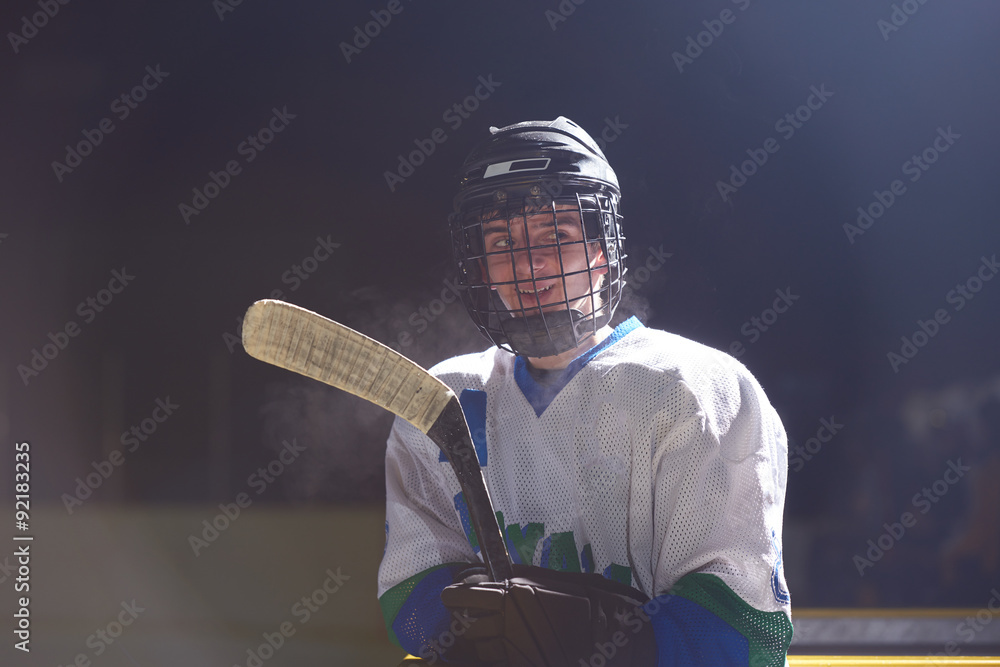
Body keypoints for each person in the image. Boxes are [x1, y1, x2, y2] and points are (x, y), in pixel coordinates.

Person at [378, 117, 793, 666]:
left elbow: (742, 629)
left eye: (557, 235)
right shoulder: (444, 398)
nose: (529, 262)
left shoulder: (696, 388)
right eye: (503, 240)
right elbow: (411, 593)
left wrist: (596, 639)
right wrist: (467, 630)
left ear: (603, 250)